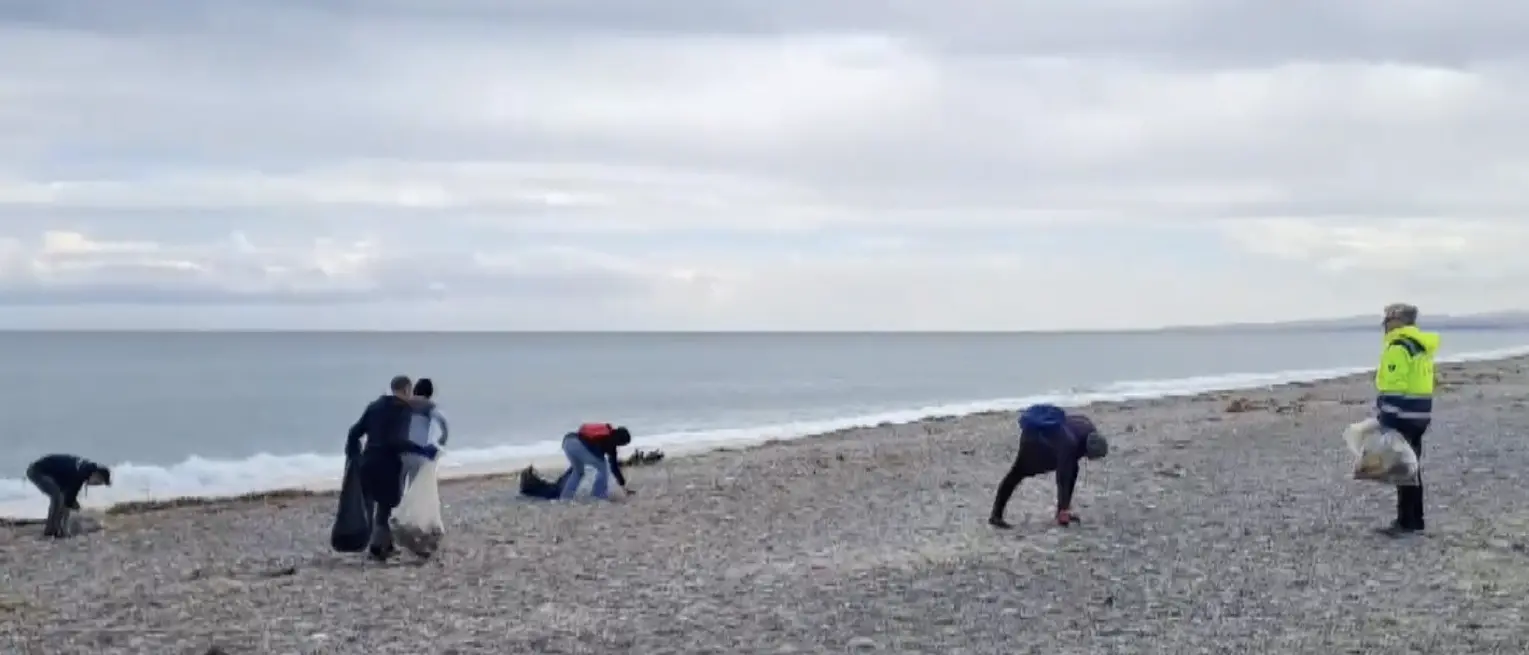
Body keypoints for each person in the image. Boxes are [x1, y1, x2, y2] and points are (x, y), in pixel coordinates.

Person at [346, 375, 440, 560]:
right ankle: (378, 547)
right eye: (410, 391)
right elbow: (398, 440)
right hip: (387, 463)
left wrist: (352, 455)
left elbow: (354, 432)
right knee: (385, 507)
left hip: (368, 461)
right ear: (406, 390)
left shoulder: (373, 406)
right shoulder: (403, 410)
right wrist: (421, 450)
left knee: (369, 504)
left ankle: (379, 543)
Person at [989, 404, 1108, 529]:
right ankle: (995, 516)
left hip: (1040, 434)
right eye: (1090, 456)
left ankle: (1062, 509)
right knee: (1017, 473)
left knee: (1072, 468)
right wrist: (1063, 512)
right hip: (1035, 440)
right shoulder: (1070, 444)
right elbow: (1062, 476)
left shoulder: (1087, 426)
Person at [1375, 303, 1438, 536]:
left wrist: (1387, 421)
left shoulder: (1398, 347)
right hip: (1421, 414)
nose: (1385, 325)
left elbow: (1394, 386)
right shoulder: (1419, 346)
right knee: (1412, 467)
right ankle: (1415, 520)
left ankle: (1405, 522)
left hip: (1403, 416)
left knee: (1404, 469)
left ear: (1396, 321)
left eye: (1387, 320)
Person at [25, 454, 111, 539]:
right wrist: (65, 528)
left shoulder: (84, 469)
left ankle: (56, 527)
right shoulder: (80, 475)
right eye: (98, 482)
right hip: (37, 471)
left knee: (63, 498)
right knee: (58, 497)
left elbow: (70, 499)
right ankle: (51, 530)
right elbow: (68, 502)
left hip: (53, 475)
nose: (95, 485)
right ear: (96, 475)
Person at [559, 423, 633, 500]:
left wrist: (623, 486)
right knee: (603, 467)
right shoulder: (610, 441)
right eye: (622, 444)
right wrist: (623, 486)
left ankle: (565, 497)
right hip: (579, 444)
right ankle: (598, 495)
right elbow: (614, 468)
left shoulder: (606, 431)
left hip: (568, 441)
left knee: (578, 472)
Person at [402, 377, 450, 487]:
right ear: (430, 392)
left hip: (401, 449)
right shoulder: (429, 406)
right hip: (418, 451)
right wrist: (442, 439)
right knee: (413, 486)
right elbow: (442, 422)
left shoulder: (404, 404)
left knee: (398, 486)